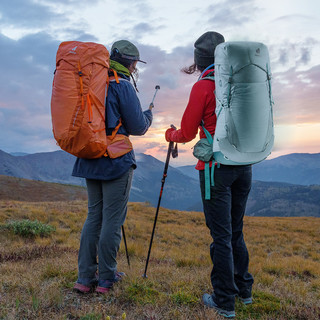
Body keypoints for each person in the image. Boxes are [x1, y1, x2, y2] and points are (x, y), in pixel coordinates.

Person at [165, 31, 254, 318]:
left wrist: (169, 133)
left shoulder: (203, 87)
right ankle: (244, 291)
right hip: (244, 166)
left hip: (216, 169)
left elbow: (187, 132)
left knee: (221, 236)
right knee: (236, 231)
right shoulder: (240, 81)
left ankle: (224, 301)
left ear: (199, 60)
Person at [72, 40, 153, 294]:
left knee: (93, 216)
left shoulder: (90, 82)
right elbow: (138, 127)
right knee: (112, 220)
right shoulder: (123, 85)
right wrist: (149, 115)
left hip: (89, 157)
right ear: (131, 63)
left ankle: (85, 278)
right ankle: (106, 278)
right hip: (115, 161)